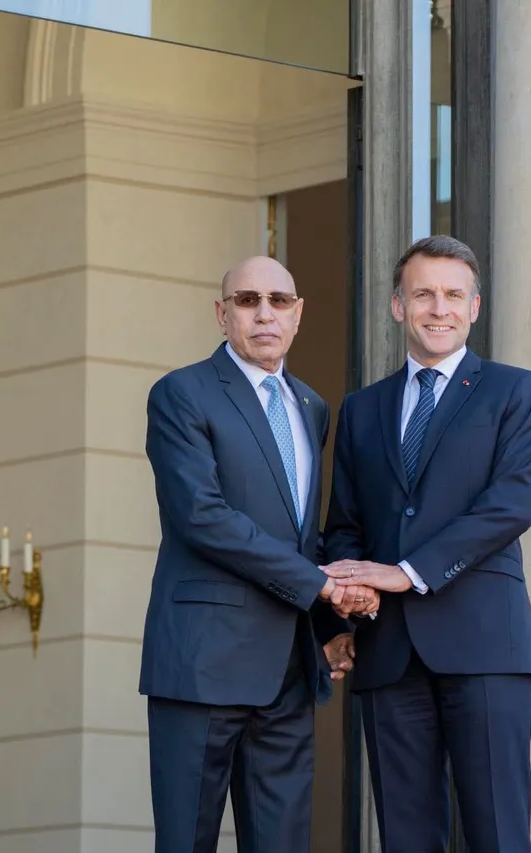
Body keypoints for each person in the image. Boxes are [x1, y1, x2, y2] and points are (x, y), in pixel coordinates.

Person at [139, 256, 379, 853]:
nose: (265, 314)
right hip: (201, 662)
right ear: (222, 314)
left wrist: (330, 623)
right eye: (248, 301)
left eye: (279, 301)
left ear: (298, 314)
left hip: (289, 670)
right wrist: (323, 586)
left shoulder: (312, 406)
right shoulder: (181, 393)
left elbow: (301, 534)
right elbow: (202, 517)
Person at [322, 235, 531, 852]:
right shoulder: (362, 409)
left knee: (498, 836)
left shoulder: (516, 390)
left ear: (474, 308)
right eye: (423, 294)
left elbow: (510, 505)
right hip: (388, 650)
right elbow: (345, 524)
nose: (439, 308)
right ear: (399, 306)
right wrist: (343, 602)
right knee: (405, 839)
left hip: (485, 645)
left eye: (454, 295)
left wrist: (408, 572)